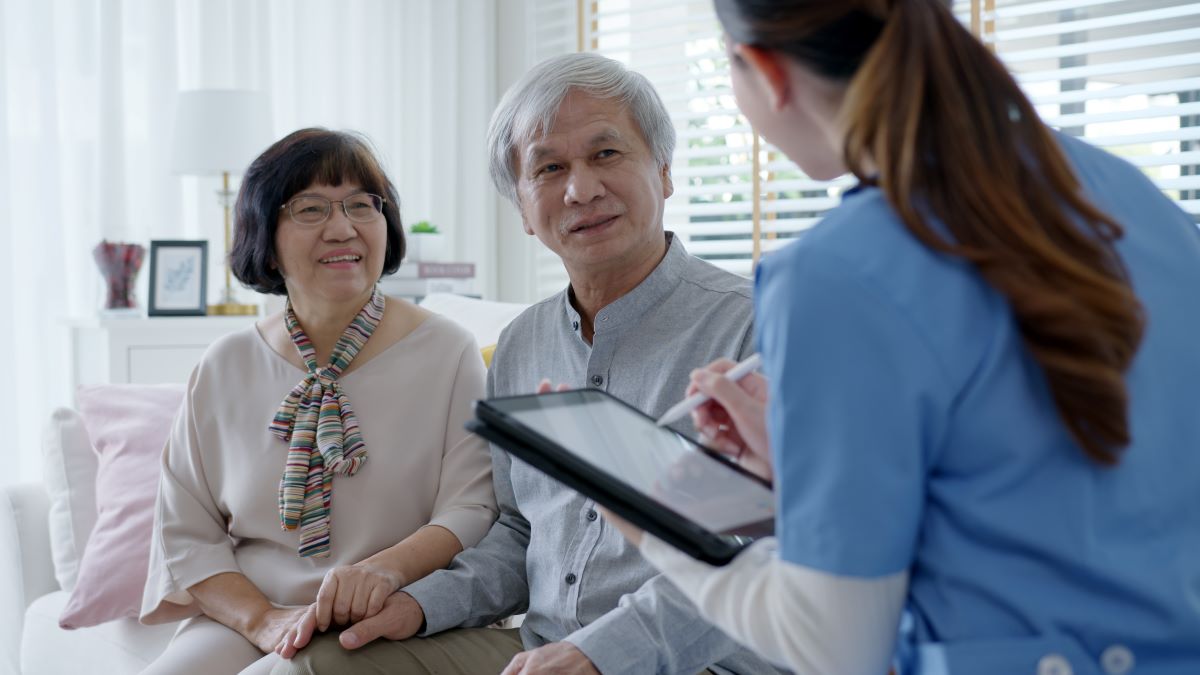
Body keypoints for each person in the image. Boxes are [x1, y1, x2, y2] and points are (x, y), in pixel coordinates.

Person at [601, 1, 1200, 674]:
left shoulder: (835, 272)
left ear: (766, 72)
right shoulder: (1123, 188)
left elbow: (834, 645)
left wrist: (654, 529)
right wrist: (816, 480)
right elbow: (1058, 480)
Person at [274, 54, 781, 675]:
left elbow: (767, 556)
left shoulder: (758, 328)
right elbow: (520, 532)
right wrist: (419, 603)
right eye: (549, 168)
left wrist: (599, 654)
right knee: (323, 662)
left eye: (606, 155)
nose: (581, 189)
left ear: (666, 171)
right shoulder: (521, 344)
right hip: (537, 648)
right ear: (521, 207)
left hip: (705, 661)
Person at [138, 128, 498, 674]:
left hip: (385, 612)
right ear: (267, 236)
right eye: (310, 209)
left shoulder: (448, 352)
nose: (342, 228)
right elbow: (187, 531)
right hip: (250, 611)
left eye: (361, 205)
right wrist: (261, 618)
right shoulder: (224, 365)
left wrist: (380, 574)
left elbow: (472, 508)